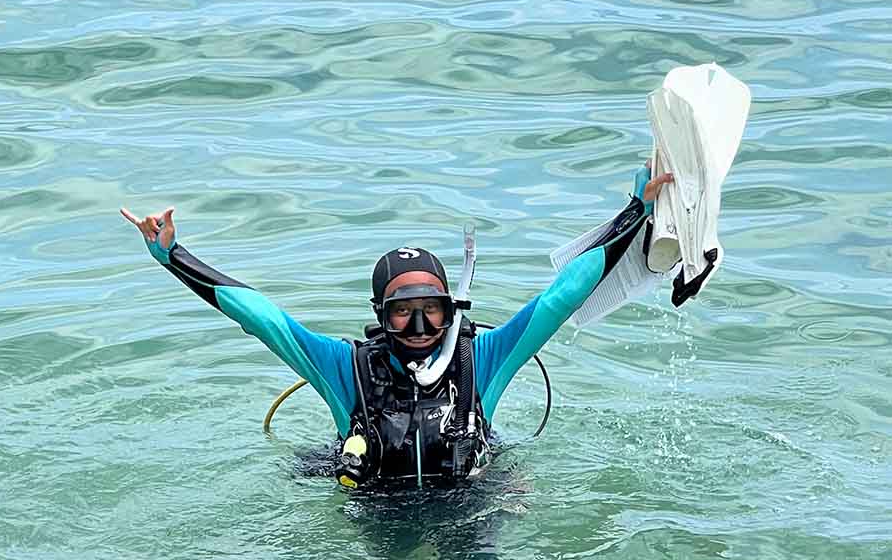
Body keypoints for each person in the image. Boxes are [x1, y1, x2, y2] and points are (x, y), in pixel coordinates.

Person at [121, 164, 672, 488]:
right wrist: (174, 256)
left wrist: (635, 213)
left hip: (468, 511)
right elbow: (260, 317)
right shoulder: (345, 369)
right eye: (401, 310)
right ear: (379, 315)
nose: (419, 324)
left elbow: (561, 297)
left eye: (432, 308)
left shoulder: (482, 360)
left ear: (452, 308)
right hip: (378, 515)